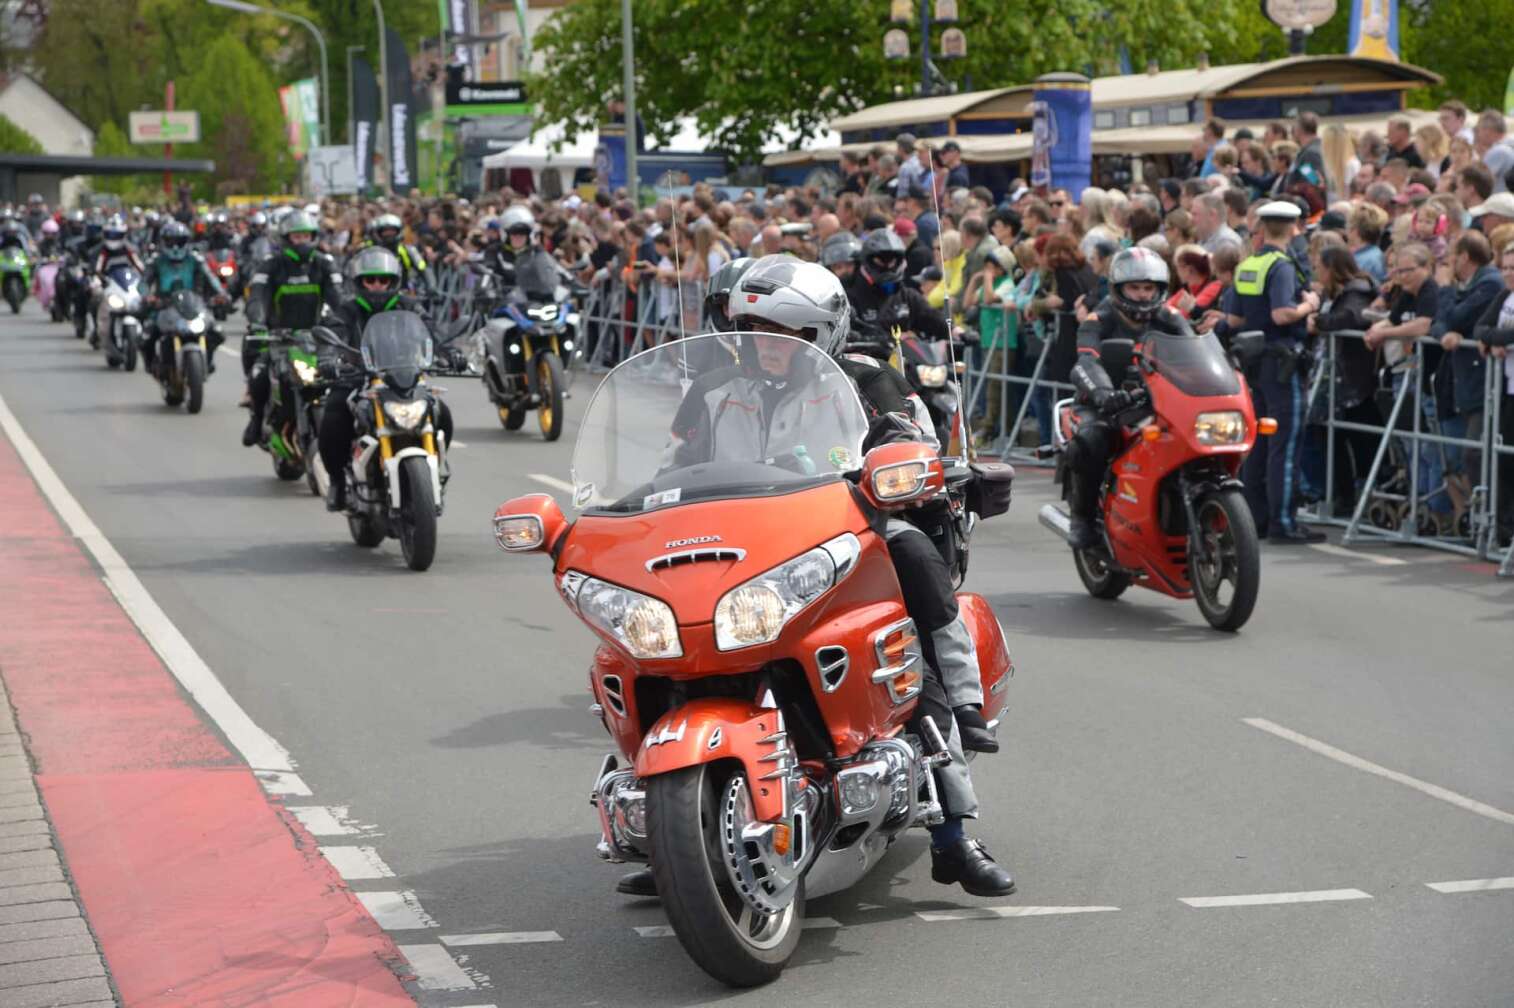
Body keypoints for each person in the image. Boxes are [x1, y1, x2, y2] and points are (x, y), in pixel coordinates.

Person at [617, 255, 1014, 902]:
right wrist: (629, 506)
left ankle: (955, 823)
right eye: (756, 332)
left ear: (825, 330)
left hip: (847, 532)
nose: (771, 349)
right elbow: (675, 464)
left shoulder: (865, 379)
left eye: (791, 337)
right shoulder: (714, 389)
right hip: (741, 545)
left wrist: (910, 467)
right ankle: (668, 830)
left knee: (911, 561)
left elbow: (911, 442)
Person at [1061, 248, 1193, 549]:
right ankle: (1081, 518)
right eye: (1135, 287)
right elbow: (1086, 362)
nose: (1143, 295)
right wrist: (1104, 393)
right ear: (1119, 288)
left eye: (1149, 288)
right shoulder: (1099, 319)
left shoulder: (1170, 317)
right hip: (1105, 401)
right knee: (1092, 440)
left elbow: (1195, 351)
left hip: (1159, 400)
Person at [317, 246, 454, 512]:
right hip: (359, 379)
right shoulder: (347, 310)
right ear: (359, 282)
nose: (378, 285)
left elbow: (432, 331)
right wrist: (327, 359)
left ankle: (434, 466)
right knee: (333, 415)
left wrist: (451, 352)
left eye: (384, 280)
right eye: (371, 280)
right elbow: (331, 336)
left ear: (394, 282)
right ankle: (336, 481)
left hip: (406, 378)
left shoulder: (409, 306)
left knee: (441, 412)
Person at [1220, 200, 1325, 543]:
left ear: (1263, 227)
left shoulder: (1249, 264)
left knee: (1261, 443)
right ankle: (1283, 522)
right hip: (1282, 362)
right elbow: (1282, 314)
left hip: (1255, 362)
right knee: (1286, 443)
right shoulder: (1282, 266)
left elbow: (1234, 320)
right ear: (1294, 227)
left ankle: (1257, 518)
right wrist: (1310, 305)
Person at [242, 210, 343, 447]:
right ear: (286, 238)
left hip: (317, 338)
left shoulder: (324, 264)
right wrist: (257, 322)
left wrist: (344, 323)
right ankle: (257, 419)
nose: (302, 241)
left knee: (343, 378)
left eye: (306, 236)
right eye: (297, 237)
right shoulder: (271, 265)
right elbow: (257, 298)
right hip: (279, 339)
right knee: (258, 376)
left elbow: (340, 298)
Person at [843, 228, 948, 355]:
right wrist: (858, 337)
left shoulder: (907, 296)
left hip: (905, 364)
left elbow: (934, 319)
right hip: (868, 365)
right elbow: (844, 332)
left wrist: (958, 333)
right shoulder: (851, 295)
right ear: (867, 260)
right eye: (881, 260)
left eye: (892, 260)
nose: (887, 265)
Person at [141, 219, 227, 373]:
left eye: (179, 241)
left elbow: (212, 279)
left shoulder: (195, 259)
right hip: (164, 305)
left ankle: (208, 362)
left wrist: (222, 294)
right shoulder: (156, 260)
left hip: (193, 305)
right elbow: (143, 284)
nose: (175, 246)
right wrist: (148, 297)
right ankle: (152, 365)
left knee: (217, 333)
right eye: (170, 241)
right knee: (146, 336)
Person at [367, 212, 432, 297]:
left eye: (392, 231)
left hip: (402, 295)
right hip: (373, 295)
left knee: (419, 309)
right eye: (385, 231)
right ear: (379, 233)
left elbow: (423, 268)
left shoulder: (408, 250)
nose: (389, 234)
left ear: (399, 232)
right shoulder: (369, 250)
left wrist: (431, 287)